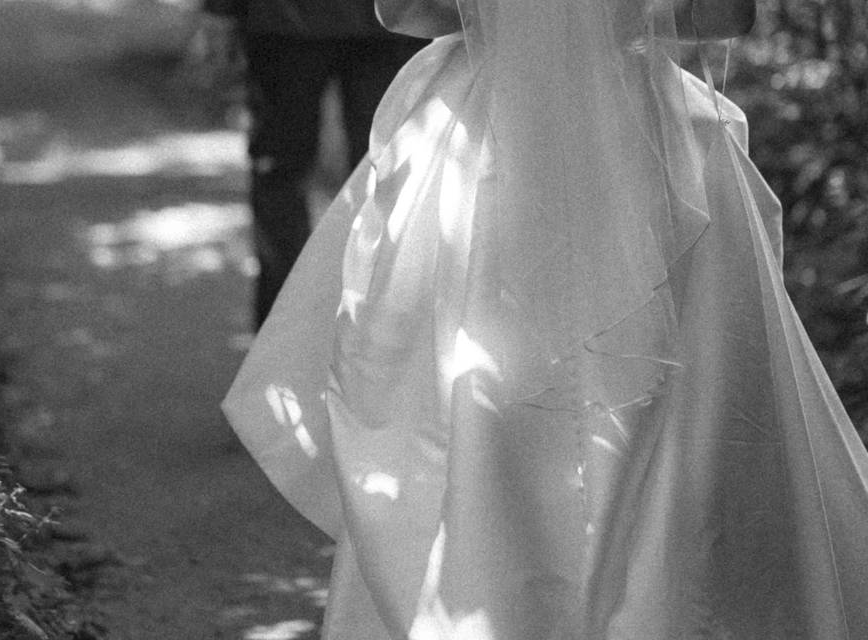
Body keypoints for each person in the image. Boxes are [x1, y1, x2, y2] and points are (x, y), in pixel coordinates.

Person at [224, 0, 868, 637]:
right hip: (637, 130)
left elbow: (403, 12)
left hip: (492, 134)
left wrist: (510, 22)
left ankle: (489, 593)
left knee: (479, 380)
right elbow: (727, 15)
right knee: (672, 398)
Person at [201, 0, 424, 328]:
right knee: (390, 172)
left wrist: (219, 11)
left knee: (286, 174)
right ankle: (387, 330)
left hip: (294, 20)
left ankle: (281, 333)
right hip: (386, 19)